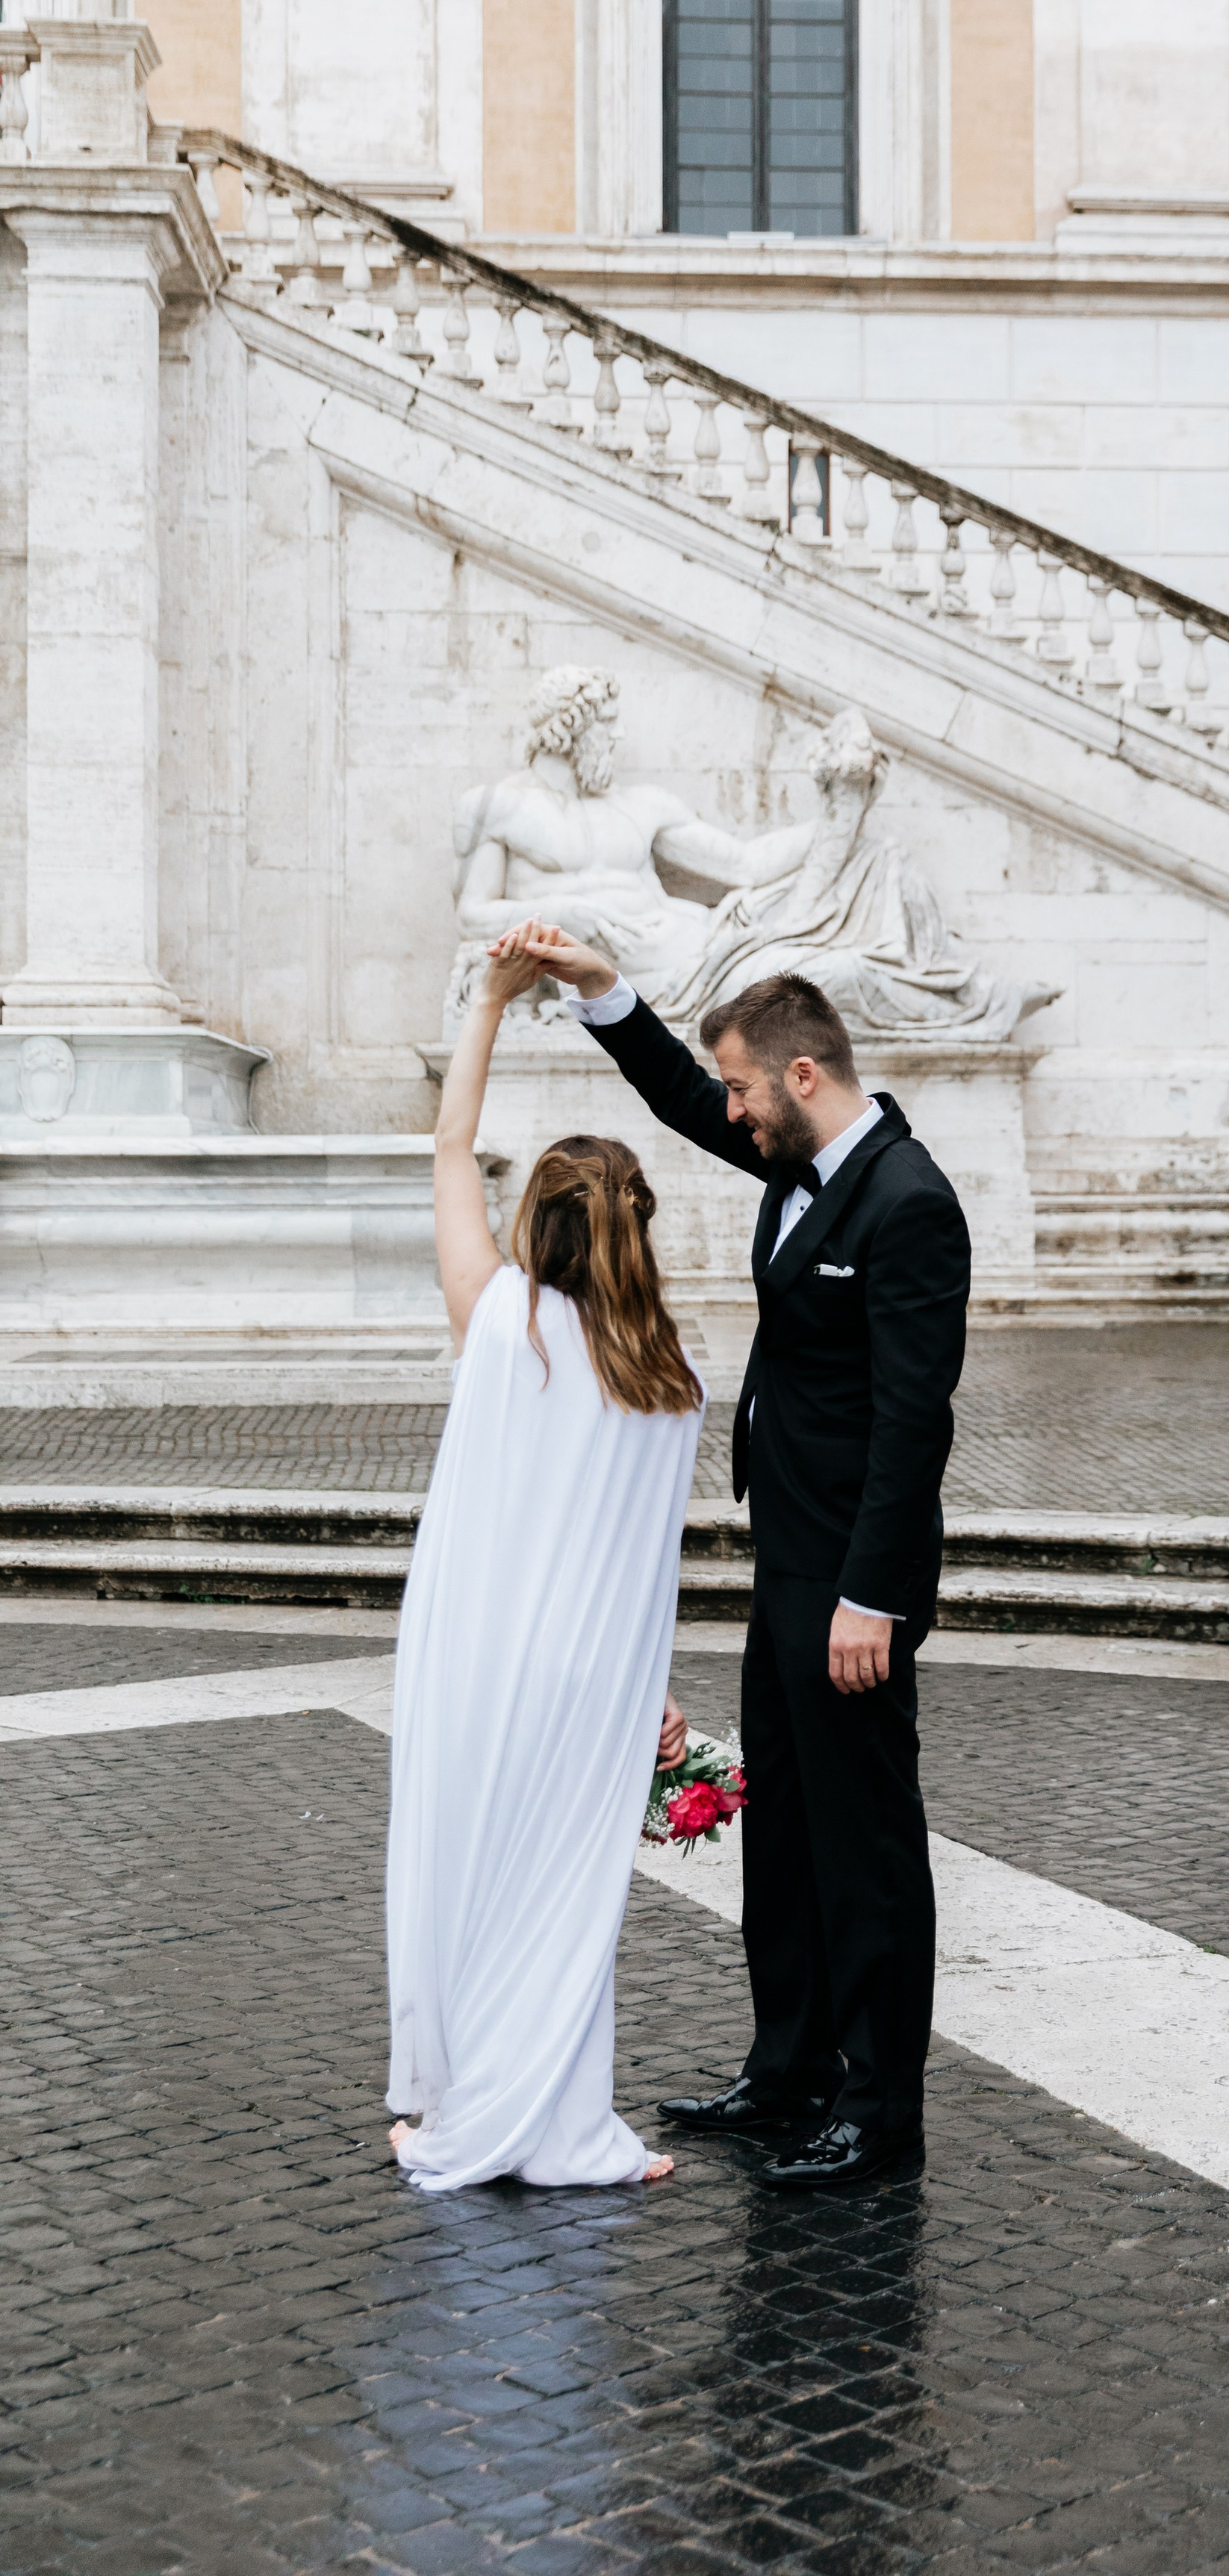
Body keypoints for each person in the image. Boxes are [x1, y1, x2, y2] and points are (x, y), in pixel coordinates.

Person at [491, 920, 971, 2190]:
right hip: (791, 1558)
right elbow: (689, 1097)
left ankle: (880, 2113)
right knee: (789, 1830)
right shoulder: (798, 1163)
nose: (736, 1116)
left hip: (852, 1580)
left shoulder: (910, 1203)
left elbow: (917, 1423)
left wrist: (874, 1596)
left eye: (749, 1089)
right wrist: (603, 991)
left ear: (803, 1077)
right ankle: (789, 2069)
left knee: (865, 1845)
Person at [385, 935, 704, 2192]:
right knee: (570, 1904)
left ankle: (464, 2114)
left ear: (541, 1222)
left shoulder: (499, 1316)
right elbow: (648, 1563)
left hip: (474, 1654)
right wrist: (655, 1689)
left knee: (471, 1878)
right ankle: (571, 2134)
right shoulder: (671, 1378)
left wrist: (491, 1003)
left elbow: (449, 1148)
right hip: (596, 1675)